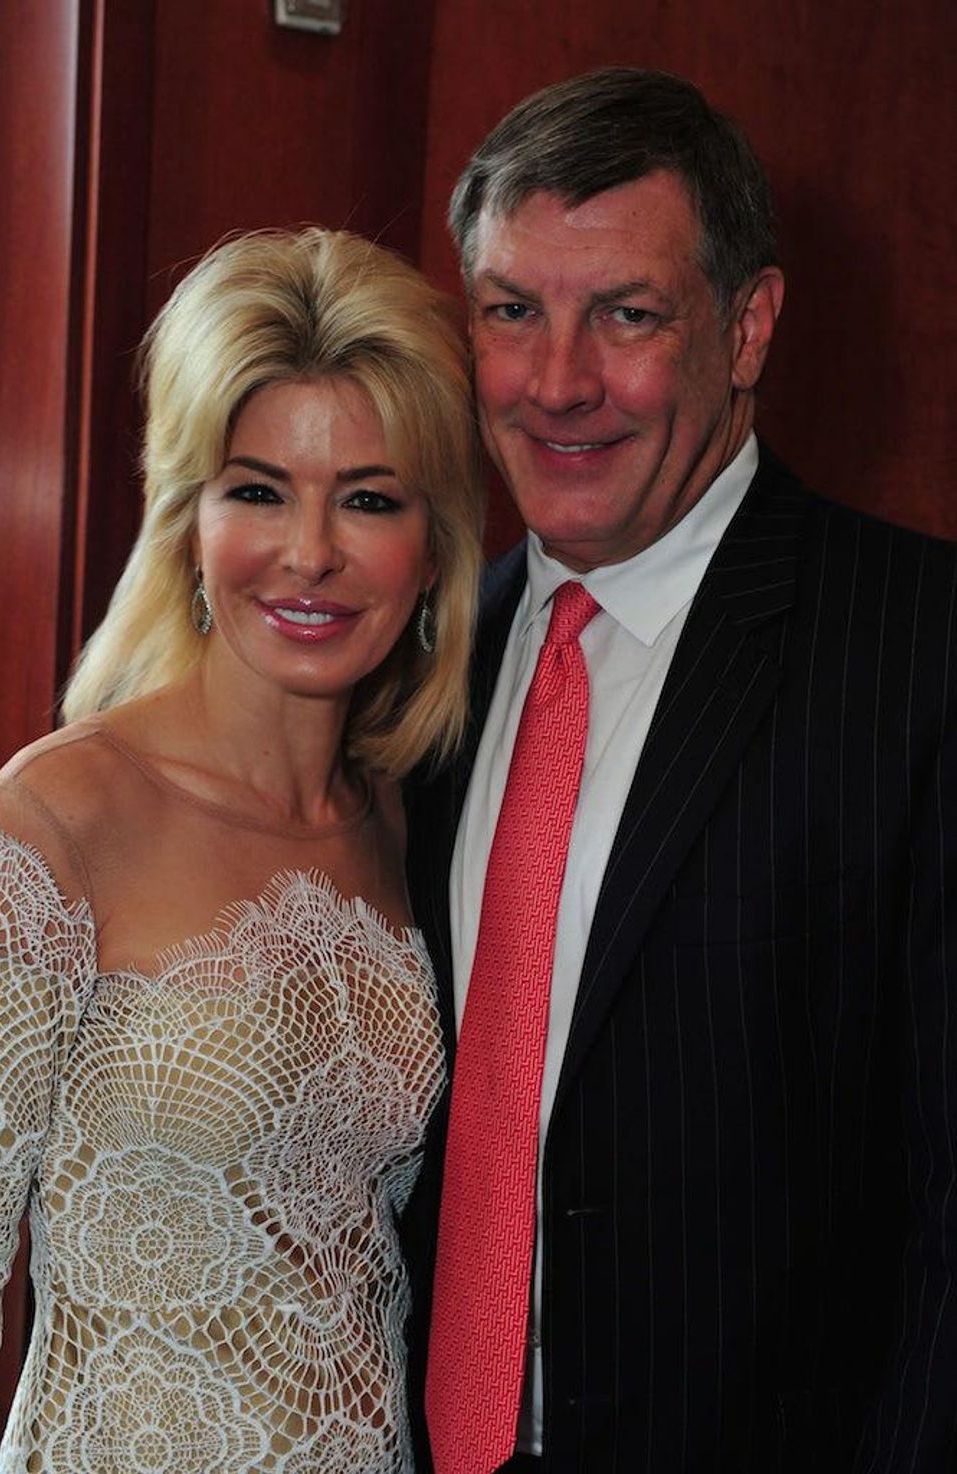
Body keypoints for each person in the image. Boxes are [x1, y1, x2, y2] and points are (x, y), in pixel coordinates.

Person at [403, 67, 957, 1473]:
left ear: (749, 325)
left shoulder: (921, 654)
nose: (559, 382)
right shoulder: (411, 660)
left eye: (629, 316)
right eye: (512, 312)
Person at [0, 226, 483, 1473]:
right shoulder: (55, 822)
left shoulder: (408, 822)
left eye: (367, 498)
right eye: (257, 489)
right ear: (188, 520)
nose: (308, 553)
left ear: (431, 549)